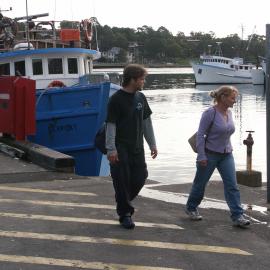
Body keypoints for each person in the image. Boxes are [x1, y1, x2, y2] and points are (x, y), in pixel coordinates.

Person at [185, 85, 250, 228]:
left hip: (227, 155)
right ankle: (191, 207)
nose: (235, 101)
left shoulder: (229, 113)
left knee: (232, 185)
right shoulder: (210, 113)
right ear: (223, 98)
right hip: (209, 154)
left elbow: (226, 133)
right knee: (200, 184)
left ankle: (237, 216)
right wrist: (201, 155)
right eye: (232, 98)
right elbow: (201, 135)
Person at [105, 64, 158, 229]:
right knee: (121, 180)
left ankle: (122, 201)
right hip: (120, 147)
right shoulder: (116, 99)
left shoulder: (141, 97)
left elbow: (146, 123)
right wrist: (111, 149)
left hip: (137, 147)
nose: (144, 82)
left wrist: (152, 144)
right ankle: (125, 214)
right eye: (142, 79)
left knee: (141, 177)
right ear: (133, 79)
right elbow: (111, 125)